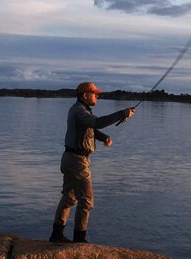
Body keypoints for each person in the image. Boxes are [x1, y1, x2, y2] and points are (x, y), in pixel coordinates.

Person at [49, 82, 135, 243]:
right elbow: (97, 123)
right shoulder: (79, 110)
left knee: (69, 197)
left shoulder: (80, 111)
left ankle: (56, 235)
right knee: (86, 200)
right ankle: (79, 239)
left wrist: (104, 137)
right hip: (77, 162)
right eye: (94, 93)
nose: (97, 95)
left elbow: (91, 129)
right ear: (85, 95)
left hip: (70, 159)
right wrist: (122, 113)